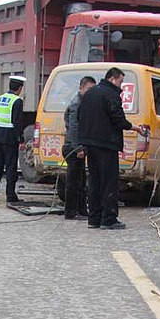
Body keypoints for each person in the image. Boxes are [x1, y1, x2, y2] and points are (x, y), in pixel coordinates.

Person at [77, 67, 145, 230]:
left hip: (90, 144)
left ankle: (94, 218)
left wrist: (83, 141)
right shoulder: (111, 94)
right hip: (107, 144)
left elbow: (81, 117)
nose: (121, 86)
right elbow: (118, 118)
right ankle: (108, 218)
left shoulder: (90, 94)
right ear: (112, 79)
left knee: (94, 181)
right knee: (109, 182)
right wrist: (134, 127)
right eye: (120, 81)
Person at [0, 75, 25, 204]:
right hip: (10, 138)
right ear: (20, 88)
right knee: (10, 167)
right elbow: (17, 122)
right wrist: (21, 140)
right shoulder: (17, 101)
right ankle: (10, 195)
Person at [61, 75, 95, 220]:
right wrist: (79, 148)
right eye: (88, 89)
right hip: (73, 148)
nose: (90, 92)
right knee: (73, 182)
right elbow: (73, 128)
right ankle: (70, 212)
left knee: (81, 181)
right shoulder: (76, 104)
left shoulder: (84, 103)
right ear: (81, 88)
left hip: (78, 146)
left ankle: (82, 210)